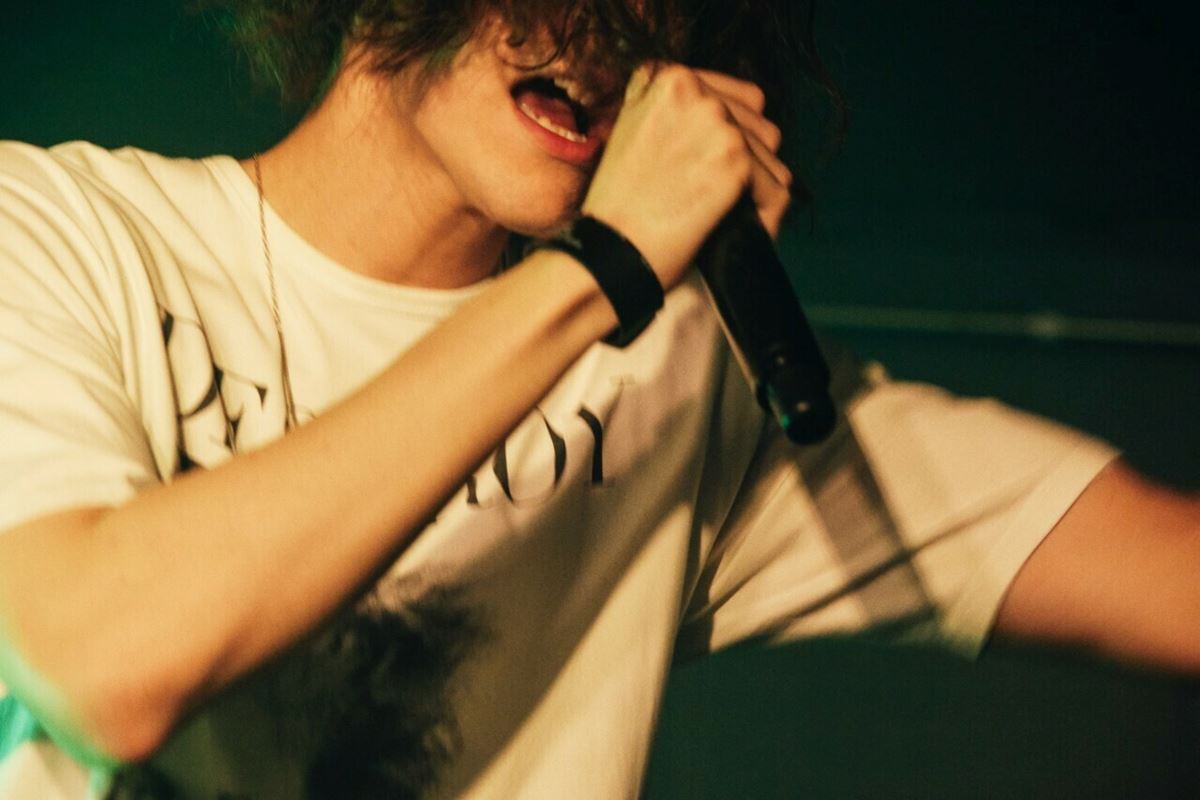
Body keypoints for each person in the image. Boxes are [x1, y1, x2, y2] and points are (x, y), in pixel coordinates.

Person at [0, 0, 1195, 797]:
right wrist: (607, 268)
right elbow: (105, 656)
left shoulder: (678, 382)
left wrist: (621, 285)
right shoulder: (63, 234)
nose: (611, 28)